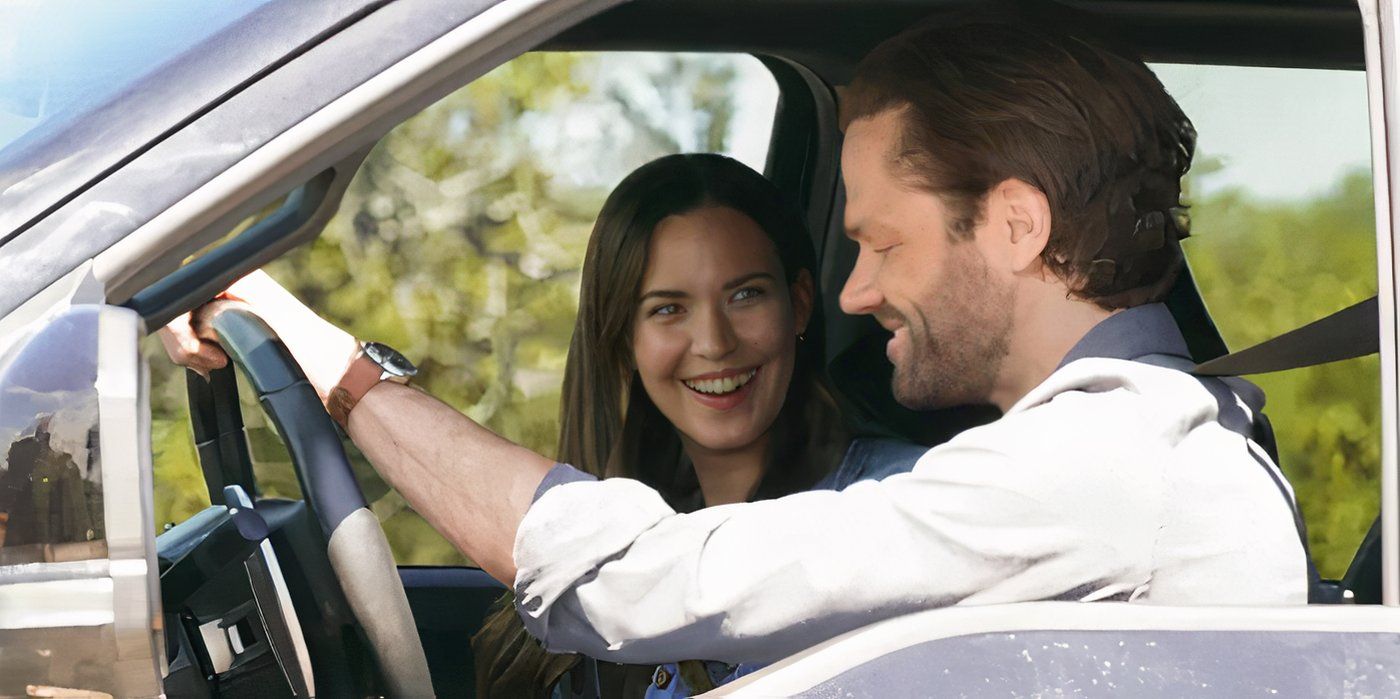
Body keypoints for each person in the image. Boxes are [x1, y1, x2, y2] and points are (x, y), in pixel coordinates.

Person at [163, 12, 1309, 676]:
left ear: (1014, 226)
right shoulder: (1127, 454)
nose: (854, 294)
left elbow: (628, 582)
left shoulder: (1098, 469)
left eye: (879, 244)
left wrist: (338, 370)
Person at [466, 153, 925, 698]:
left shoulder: (901, 500)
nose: (713, 343)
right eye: (668, 309)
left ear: (798, 305)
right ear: (623, 339)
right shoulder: (612, 540)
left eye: (745, 294)